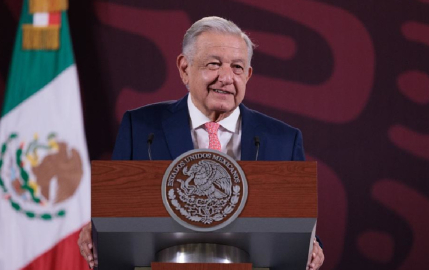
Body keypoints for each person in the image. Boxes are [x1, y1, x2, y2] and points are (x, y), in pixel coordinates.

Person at [78, 16, 324, 270]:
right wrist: (98, 231)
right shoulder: (140, 128)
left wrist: (312, 247)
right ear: (185, 68)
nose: (226, 77)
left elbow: (296, 224)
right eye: (214, 64)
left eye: (237, 67)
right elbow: (116, 212)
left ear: (248, 75)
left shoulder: (282, 139)